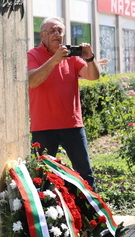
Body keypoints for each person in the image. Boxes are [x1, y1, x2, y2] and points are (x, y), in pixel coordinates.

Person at [27, 17, 101, 187]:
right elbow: (32, 81)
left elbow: (93, 76)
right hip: (44, 126)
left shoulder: (71, 56)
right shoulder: (33, 54)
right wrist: (54, 60)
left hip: (72, 125)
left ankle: (89, 205)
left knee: (85, 175)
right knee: (42, 177)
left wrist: (90, 59)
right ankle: (47, 205)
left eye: (60, 31)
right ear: (42, 35)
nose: (57, 34)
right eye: (52, 30)